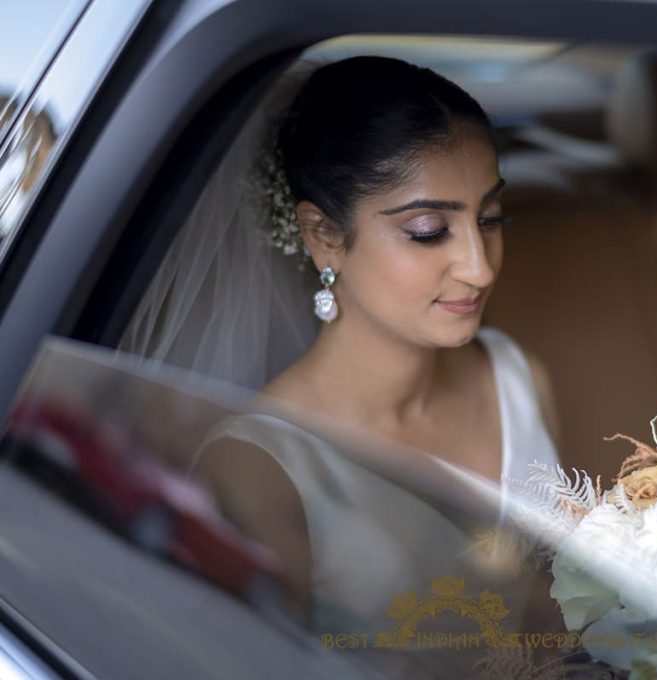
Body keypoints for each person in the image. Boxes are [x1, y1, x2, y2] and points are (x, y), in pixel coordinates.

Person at [120, 56, 562, 641]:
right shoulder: (255, 471)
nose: (479, 269)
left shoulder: (516, 376)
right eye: (429, 231)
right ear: (324, 236)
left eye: (491, 218)